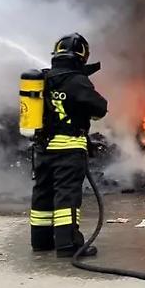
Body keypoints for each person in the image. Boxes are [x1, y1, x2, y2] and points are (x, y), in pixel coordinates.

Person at [29, 33, 108, 256]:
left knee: (42, 194)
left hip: (42, 150)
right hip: (68, 148)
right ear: (81, 55)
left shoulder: (43, 79)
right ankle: (68, 244)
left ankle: (41, 241)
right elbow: (99, 108)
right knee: (67, 196)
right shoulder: (77, 81)